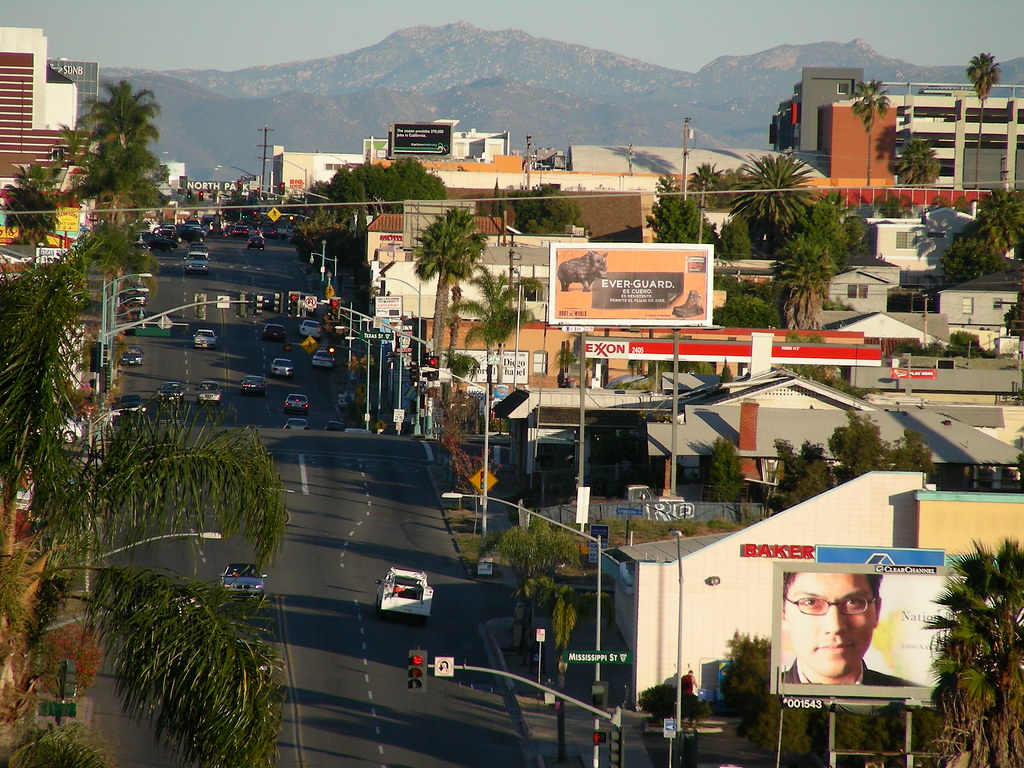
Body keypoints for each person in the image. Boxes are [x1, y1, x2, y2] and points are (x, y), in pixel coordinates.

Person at [781, 571, 920, 686]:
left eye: (853, 602)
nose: (835, 626)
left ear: (877, 611)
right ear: (783, 612)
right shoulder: (763, 693)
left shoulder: (909, 695)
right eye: (810, 602)